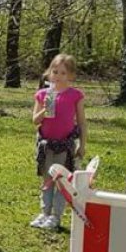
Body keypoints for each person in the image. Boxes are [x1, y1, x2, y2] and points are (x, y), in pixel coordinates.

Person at [30, 53, 87, 230]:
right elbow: (35, 121)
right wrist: (45, 109)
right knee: (47, 180)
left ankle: (56, 216)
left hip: (65, 146)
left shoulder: (75, 95)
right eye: (55, 72)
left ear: (70, 75)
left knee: (61, 181)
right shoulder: (42, 95)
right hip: (46, 145)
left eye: (63, 73)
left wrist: (82, 145)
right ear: (49, 73)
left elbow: (82, 122)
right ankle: (44, 213)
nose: (58, 76)